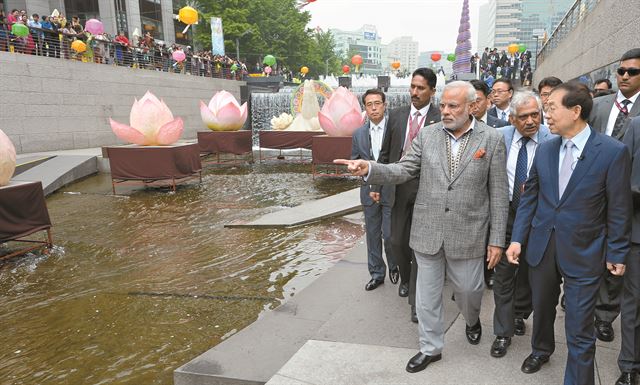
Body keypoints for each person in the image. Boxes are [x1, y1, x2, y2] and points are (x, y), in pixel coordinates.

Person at [336, 81, 508, 373]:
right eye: (443, 105)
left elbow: (499, 194)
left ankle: (472, 319)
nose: (446, 111)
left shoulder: (491, 139)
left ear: (470, 107)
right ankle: (430, 348)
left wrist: (497, 240)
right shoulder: (427, 136)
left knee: (469, 291)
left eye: (453, 106)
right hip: (427, 230)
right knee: (426, 297)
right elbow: (403, 169)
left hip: (468, 232)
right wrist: (370, 168)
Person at [506, 82, 632, 385]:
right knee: (542, 307)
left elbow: (618, 208)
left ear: (575, 111)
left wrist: (616, 252)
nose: (545, 115)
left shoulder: (612, 152)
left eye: (551, 108)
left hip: (585, 251)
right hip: (542, 245)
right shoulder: (547, 148)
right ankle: (541, 349)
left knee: (578, 327)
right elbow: (530, 198)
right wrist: (517, 239)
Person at [490, 91, 555, 359]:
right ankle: (502, 332)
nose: (530, 121)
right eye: (524, 117)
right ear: (512, 118)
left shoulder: (553, 139)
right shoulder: (499, 138)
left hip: (540, 219)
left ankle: (520, 312)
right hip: (505, 215)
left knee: (531, 271)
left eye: (535, 115)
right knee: (504, 275)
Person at [375, 68, 441, 323]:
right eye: (412, 87)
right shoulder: (397, 116)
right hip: (399, 188)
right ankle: (405, 277)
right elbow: (385, 154)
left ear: (432, 91)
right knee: (395, 241)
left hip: (428, 189)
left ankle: (416, 299)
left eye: (421, 88)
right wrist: (376, 185)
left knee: (421, 249)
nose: (414, 92)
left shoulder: (440, 118)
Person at [589, 48, 640, 343]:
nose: (624, 76)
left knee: (617, 258)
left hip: (629, 201)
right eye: (620, 71)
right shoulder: (599, 106)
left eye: (632, 72)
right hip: (592, 196)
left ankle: (606, 314)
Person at [351, 89, 398, 291]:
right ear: (365, 108)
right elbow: (354, 160)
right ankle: (377, 273)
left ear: (385, 105)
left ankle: (396, 266)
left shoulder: (395, 129)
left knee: (390, 235)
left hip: (391, 191)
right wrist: (358, 171)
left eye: (377, 103)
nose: (374, 107)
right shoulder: (359, 133)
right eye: (369, 104)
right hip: (368, 191)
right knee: (372, 235)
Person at [618, 115, 640, 385]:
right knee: (633, 303)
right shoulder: (636, 125)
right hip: (637, 234)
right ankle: (630, 365)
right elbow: (623, 179)